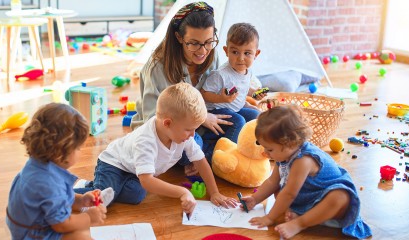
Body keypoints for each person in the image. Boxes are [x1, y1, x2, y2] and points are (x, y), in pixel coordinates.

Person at [74, 83, 237, 216]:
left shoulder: (183, 134)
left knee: (136, 195)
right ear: (167, 123)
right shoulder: (146, 140)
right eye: (189, 129)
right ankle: (66, 194)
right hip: (113, 164)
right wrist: (182, 192)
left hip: (133, 169)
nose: (193, 134)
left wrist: (214, 192)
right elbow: (147, 181)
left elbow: (200, 161)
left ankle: (97, 185)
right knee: (103, 200)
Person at [241, 105, 372, 239]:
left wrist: (269, 218)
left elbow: (290, 194)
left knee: (340, 197)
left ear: (289, 144)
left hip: (328, 202)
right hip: (308, 196)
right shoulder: (284, 154)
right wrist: (255, 199)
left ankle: (300, 223)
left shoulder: (303, 160)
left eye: (269, 149)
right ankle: (305, 215)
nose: (265, 153)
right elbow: (271, 181)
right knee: (279, 191)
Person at [131, 1, 229, 172]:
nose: (202, 51)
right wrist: (202, 118)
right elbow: (153, 120)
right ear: (179, 37)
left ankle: (205, 159)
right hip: (168, 133)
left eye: (208, 41)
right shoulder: (157, 68)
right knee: (190, 144)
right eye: (194, 43)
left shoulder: (212, 56)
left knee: (247, 117)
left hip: (197, 125)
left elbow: (214, 95)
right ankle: (209, 160)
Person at [7, 103, 111, 240]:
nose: (80, 152)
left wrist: (82, 200)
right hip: (34, 235)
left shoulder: (37, 165)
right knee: (82, 236)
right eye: (78, 148)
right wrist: (89, 217)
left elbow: (55, 199)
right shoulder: (48, 183)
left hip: (28, 226)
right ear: (61, 151)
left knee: (81, 230)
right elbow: (61, 225)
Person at [201, 22, 266, 143]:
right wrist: (221, 98)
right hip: (218, 110)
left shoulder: (247, 71)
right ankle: (223, 150)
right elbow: (204, 93)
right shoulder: (220, 74)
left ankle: (247, 145)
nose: (241, 58)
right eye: (235, 52)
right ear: (226, 51)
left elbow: (244, 89)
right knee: (239, 121)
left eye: (247, 53)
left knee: (256, 115)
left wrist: (255, 93)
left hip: (235, 109)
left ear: (256, 54)